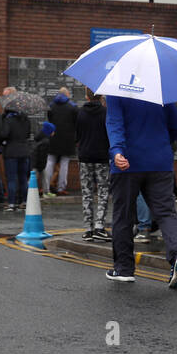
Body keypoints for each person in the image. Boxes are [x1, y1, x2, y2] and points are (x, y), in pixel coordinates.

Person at [105, 94, 177, 288]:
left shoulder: (117, 91)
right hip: (159, 162)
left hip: (127, 163)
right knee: (166, 213)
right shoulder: (159, 91)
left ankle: (124, 269)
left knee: (123, 215)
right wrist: (159, 143)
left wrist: (117, 151)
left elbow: (115, 123)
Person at [76, 91, 111, 241]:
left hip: (84, 156)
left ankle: (87, 229)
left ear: (86, 96)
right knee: (103, 192)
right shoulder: (106, 113)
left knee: (87, 193)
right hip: (102, 157)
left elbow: (77, 135)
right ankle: (99, 226)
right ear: (101, 96)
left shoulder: (80, 113)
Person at [0, 96, 31, 211]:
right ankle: (24, 201)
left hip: (11, 152)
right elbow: (28, 134)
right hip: (24, 151)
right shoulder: (26, 119)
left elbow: (3, 134)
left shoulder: (8, 120)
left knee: (11, 179)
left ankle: (12, 203)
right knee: (23, 178)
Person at [46, 86, 78, 196]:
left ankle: (46, 187)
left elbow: (49, 120)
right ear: (67, 94)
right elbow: (76, 123)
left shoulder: (51, 106)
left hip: (53, 138)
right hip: (68, 140)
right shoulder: (72, 107)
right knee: (64, 164)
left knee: (50, 162)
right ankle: (61, 188)